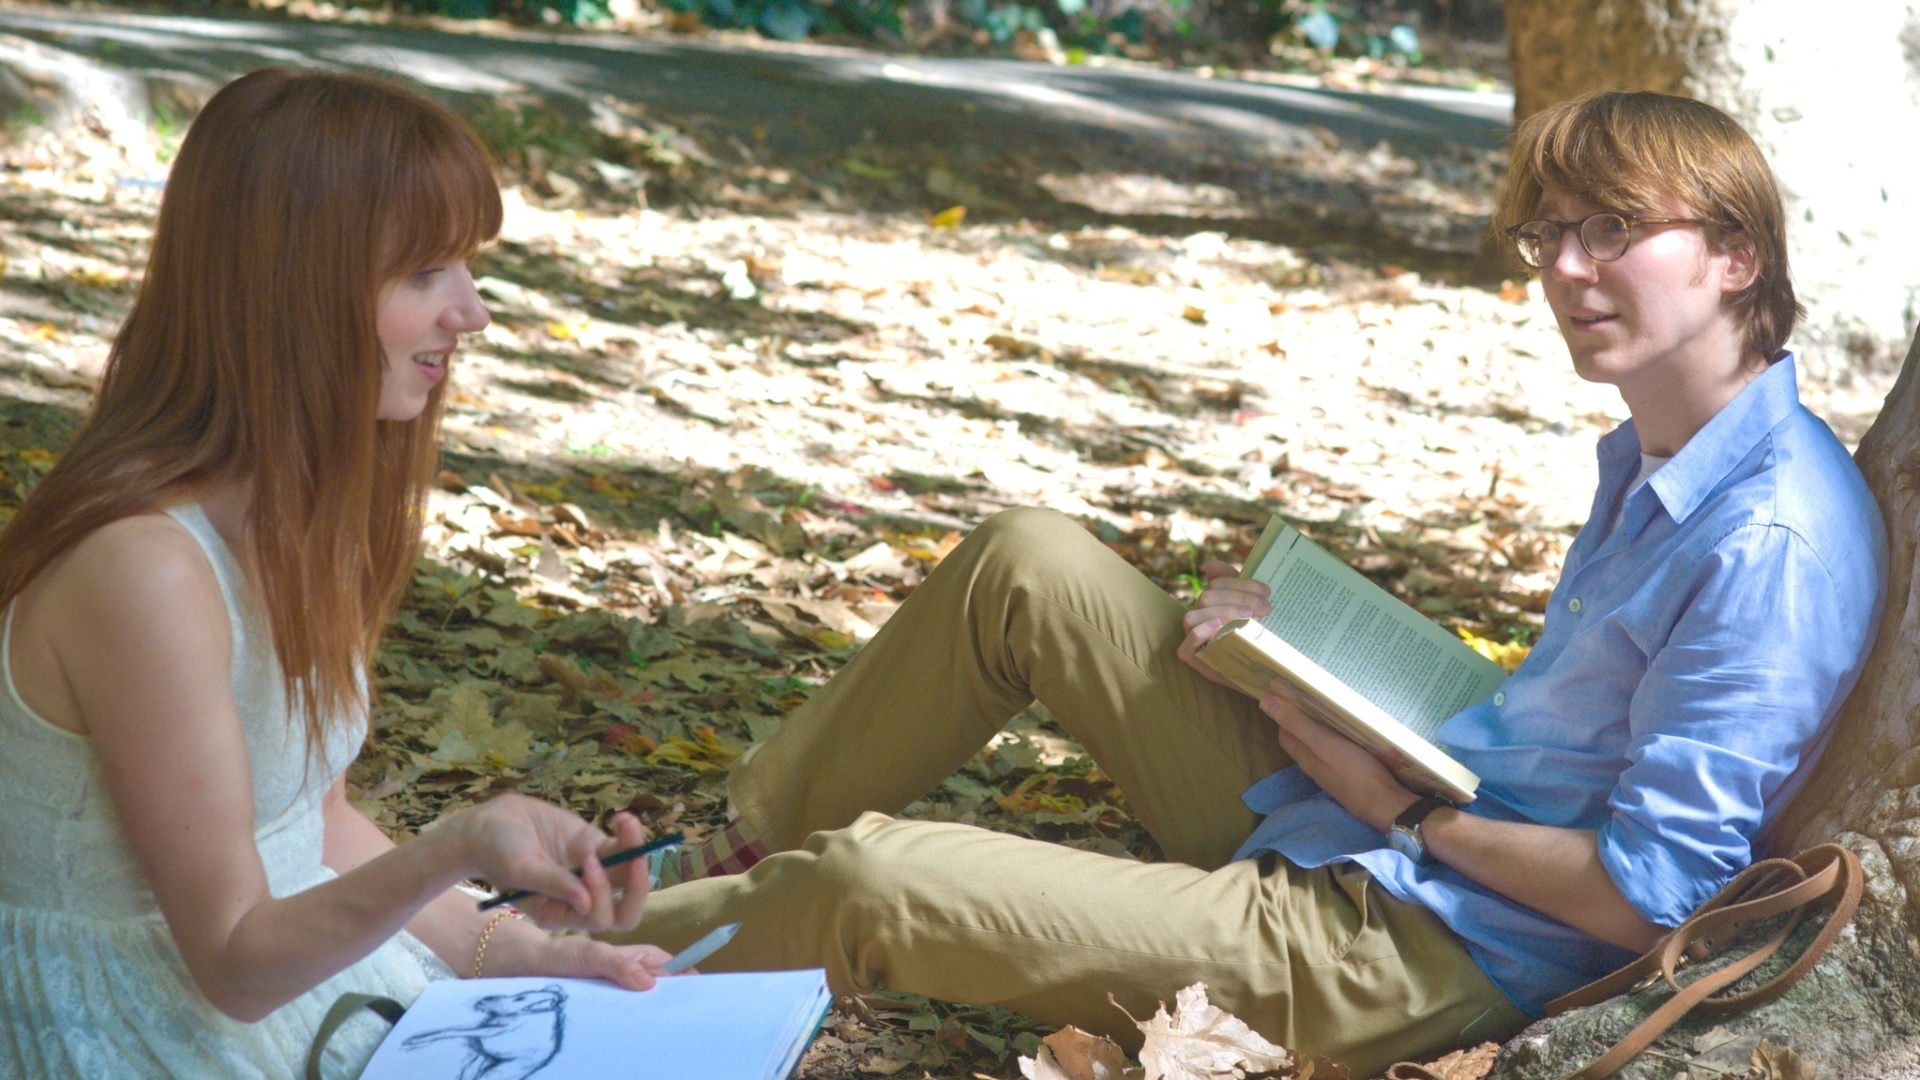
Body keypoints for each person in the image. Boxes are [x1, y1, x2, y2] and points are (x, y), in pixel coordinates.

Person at [610, 89, 1888, 1074]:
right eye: (1549, 232)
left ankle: (503, 963)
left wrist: (1396, 813)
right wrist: (1317, 669)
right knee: (1031, 562)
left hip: (1420, 949)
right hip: (1387, 825)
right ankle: (718, 851)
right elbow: (1574, 724)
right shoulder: (1674, 454)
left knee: (873, 886)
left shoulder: (1767, 537)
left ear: (1733, 256)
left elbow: (1648, 901)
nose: (1563, 267)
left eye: (1614, 229)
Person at [0, 69, 674, 1079]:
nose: (473, 313)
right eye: (423, 275)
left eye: (465, 268)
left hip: (286, 988)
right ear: (292, 292)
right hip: (140, 1031)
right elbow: (231, 961)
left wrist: (515, 949)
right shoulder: (143, 568)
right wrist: (456, 845)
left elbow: (309, 824)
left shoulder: (297, 514)